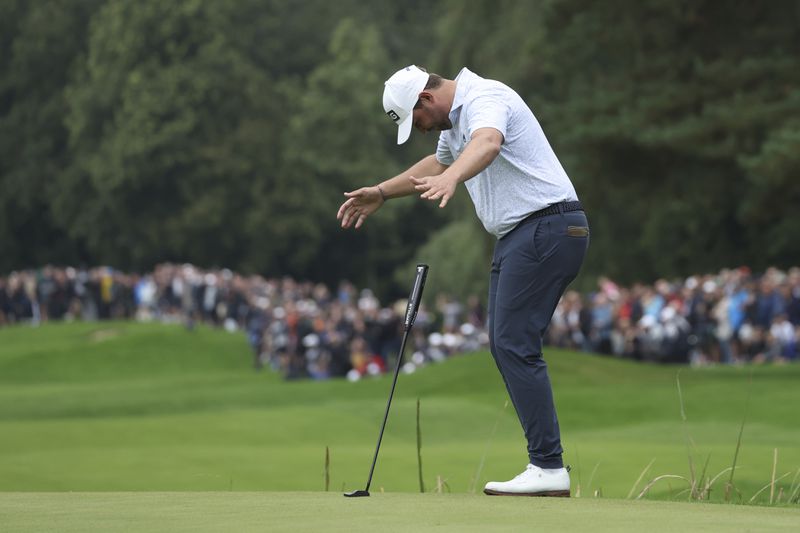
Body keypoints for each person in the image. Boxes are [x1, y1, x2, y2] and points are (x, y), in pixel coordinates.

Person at [337, 65, 589, 497]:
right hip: (522, 233)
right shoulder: (454, 124)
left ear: (426, 99)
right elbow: (437, 162)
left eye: (415, 120)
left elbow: (488, 143)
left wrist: (452, 178)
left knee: (513, 341)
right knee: (505, 341)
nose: (417, 129)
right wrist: (381, 191)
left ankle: (548, 466)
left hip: (547, 225)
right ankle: (546, 464)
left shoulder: (483, 98)